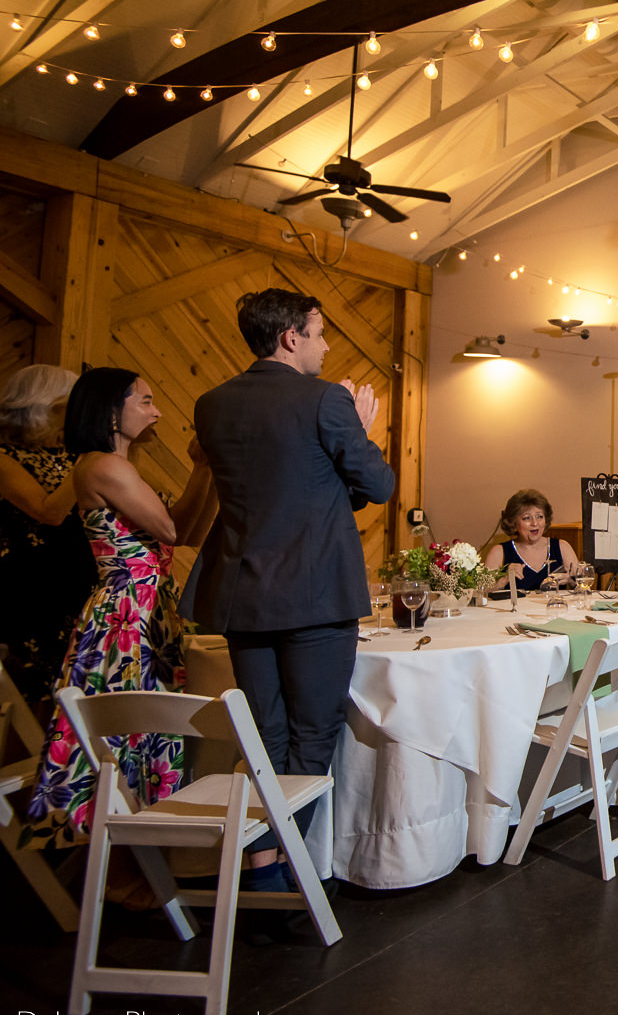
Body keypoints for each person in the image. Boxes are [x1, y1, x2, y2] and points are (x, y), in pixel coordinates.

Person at [191, 289, 394, 894]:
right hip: (314, 594)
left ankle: (261, 868)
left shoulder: (211, 405)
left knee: (265, 734)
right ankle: (273, 868)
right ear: (291, 337)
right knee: (313, 732)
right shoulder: (327, 401)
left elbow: (300, 483)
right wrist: (360, 430)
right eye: (320, 332)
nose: (327, 345)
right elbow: (377, 485)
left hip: (241, 594)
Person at [21, 367, 215, 849]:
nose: (158, 411)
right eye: (146, 401)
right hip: (124, 615)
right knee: (128, 730)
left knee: (147, 728)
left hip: (148, 608)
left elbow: (186, 534)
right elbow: (171, 532)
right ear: (111, 409)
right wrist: (202, 464)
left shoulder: (117, 466)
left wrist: (209, 468)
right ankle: (124, 860)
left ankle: (141, 855)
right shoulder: (104, 466)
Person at [0, 364, 94, 710]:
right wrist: (89, 458)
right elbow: (48, 512)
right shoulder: (5, 458)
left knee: (80, 685)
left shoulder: (71, 455)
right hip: (33, 586)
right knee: (39, 692)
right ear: (43, 405)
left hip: (79, 580)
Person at [484, 488, 580, 591]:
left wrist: (571, 581)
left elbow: (584, 590)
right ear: (513, 523)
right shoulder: (499, 552)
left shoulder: (562, 547)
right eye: (526, 518)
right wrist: (505, 579)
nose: (535, 523)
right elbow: (482, 594)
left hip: (554, 607)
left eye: (539, 516)